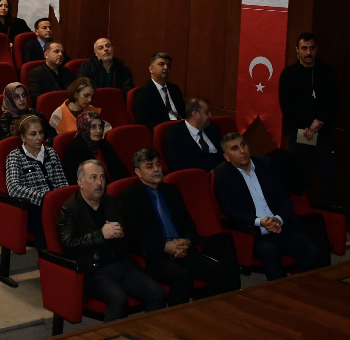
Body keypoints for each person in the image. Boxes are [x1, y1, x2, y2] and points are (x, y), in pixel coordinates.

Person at [117, 148, 239, 302]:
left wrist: (187, 241)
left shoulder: (172, 191)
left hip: (183, 249)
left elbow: (188, 223)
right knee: (183, 277)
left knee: (223, 272)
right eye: (149, 166)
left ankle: (202, 308)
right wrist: (164, 246)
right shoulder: (129, 196)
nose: (156, 169)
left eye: (158, 164)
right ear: (138, 172)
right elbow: (134, 236)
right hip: (156, 255)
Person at [56, 159, 166, 321]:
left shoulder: (111, 202)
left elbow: (129, 234)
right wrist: (101, 234)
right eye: (93, 177)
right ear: (80, 182)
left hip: (121, 263)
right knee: (119, 300)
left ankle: (147, 332)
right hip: (93, 271)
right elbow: (69, 245)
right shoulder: (69, 210)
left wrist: (121, 234)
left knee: (157, 293)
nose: (99, 183)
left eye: (102, 177)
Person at [213, 132, 328, 280]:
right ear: (227, 157)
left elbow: (285, 199)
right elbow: (229, 211)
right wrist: (260, 222)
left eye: (243, 145)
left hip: (281, 227)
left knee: (313, 252)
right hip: (255, 234)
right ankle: (280, 291)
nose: (242, 151)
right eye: (235, 148)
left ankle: (299, 288)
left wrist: (278, 219)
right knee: (270, 252)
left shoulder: (266, 164)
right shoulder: (222, 175)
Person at [279, 32, 340, 209]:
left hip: (323, 132)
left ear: (317, 49)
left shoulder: (328, 73)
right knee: (301, 175)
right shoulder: (288, 75)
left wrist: (318, 122)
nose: (308, 53)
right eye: (304, 48)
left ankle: (330, 217)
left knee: (327, 176)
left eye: (312, 48)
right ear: (297, 50)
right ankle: (303, 214)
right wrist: (306, 126)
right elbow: (286, 106)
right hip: (299, 133)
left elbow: (334, 101)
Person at [4, 113, 69, 248]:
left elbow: (62, 182)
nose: (39, 137)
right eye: (33, 134)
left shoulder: (51, 153)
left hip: (56, 204)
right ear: (23, 137)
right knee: (45, 223)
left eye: (41, 132)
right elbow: (14, 188)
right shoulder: (15, 157)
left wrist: (61, 200)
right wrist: (45, 198)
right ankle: (47, 255)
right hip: (34, 207)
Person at [60, 111, 128, 183]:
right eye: (93, 127)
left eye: (100, 126)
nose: (98, 131)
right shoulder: (72, 151)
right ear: (84, 128)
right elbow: (74, 181)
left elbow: (121, 171)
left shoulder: (105, 145)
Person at [163, 97, 224, 173]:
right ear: (195, 115)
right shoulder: (173, 135)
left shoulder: (212, 128)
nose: (210, 115)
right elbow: (177, 167)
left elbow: (224, 154)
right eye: (207, 112)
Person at [132, 52, 185, 130]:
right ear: (151, 69)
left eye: (168, 65)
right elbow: (143, 121)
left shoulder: (174, 89)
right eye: (161, 64)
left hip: (182, 127)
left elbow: (184, 112)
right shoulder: (143, 92)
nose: (166, 67)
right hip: (164, 130)